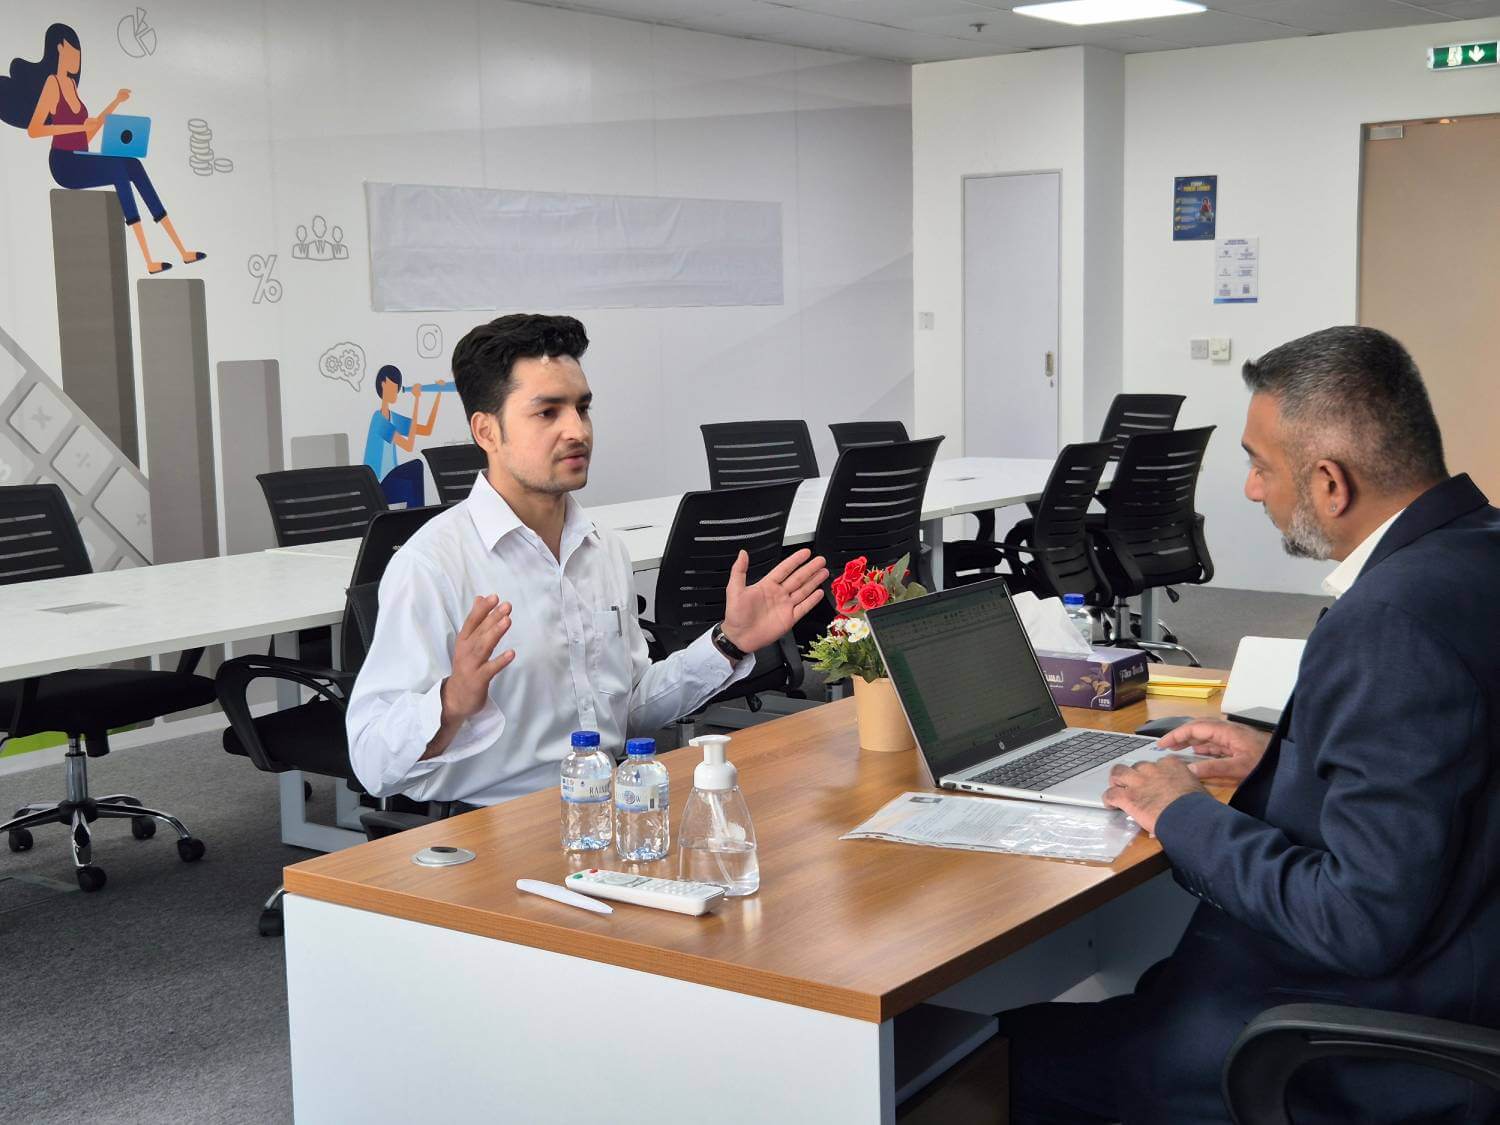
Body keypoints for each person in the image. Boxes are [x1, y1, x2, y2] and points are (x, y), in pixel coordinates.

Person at [998, 326, 1500, 1124]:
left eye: (1261, 464)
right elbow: (1454, 761)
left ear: (1330, 483)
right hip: (1458, 964)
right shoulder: (1476, 550)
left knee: (1006, 1054)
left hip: (1360, 1041)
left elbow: (1357, 920)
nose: (1252, 489)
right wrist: (1290, 755)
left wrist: (1177, 810)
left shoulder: (1392, 620)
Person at [347, 313, 827, 807]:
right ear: (486, 431)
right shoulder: (433, 565)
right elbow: (370, 764)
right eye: (547, 413)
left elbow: (629, 710)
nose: (576, 430)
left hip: (607, 811)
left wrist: (729, 642)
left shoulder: (603, 550)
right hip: (491, 826)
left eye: (582, 408)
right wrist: (450, 704)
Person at [0, 24, 203, 274]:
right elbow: (35, 130)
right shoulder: (53, 84)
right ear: (60, 48)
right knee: (118, 168)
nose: (78, 59)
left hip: (80, 156)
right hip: (64, 164)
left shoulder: (72, 85)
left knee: (132, 163)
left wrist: (114, 104)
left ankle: (181, 250)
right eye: (74, 52)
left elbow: (85, 134)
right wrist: (73, 127)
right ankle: (149, 259)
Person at [362, 364, 440, 508]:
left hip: (389, 478)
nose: (395, 392)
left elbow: (426, 429)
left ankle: (416, 514)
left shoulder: (393, 418)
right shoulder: (379, 420)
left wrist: (438, 395)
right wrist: (417, 400)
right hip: (376, 484)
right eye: (392, 387)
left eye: (396, 388)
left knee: (415, 468)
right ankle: (416, 515)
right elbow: (408, 445)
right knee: (413, 474)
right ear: (383, 385)